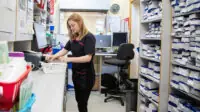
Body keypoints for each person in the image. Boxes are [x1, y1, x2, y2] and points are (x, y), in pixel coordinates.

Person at [46, 13, 96, 112]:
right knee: (79, 100)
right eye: (69, 26)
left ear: (80, 23)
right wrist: (53, 56)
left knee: (82, 103)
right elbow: (65, 49)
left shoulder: (89, 37)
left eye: (73, 25)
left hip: (86, 76)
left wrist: (68, 59)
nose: (71, 28)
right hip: (76, 74)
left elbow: (87, 58)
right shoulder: (73, 37)